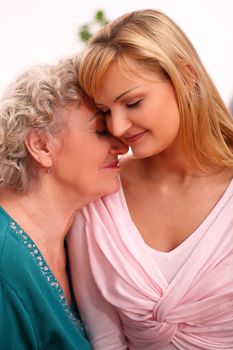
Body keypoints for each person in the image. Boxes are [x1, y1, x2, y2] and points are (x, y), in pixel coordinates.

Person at [68, 8, 233, 350]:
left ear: (185, 78)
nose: (117, 127)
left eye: (133, 102)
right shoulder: (100, 197)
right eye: (105, 111)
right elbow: (103, 336)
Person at [0, 57, 128, 350]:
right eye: (101, 130)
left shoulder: (83, 229)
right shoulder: (4, 264)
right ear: (42, 147)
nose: (122, 145)